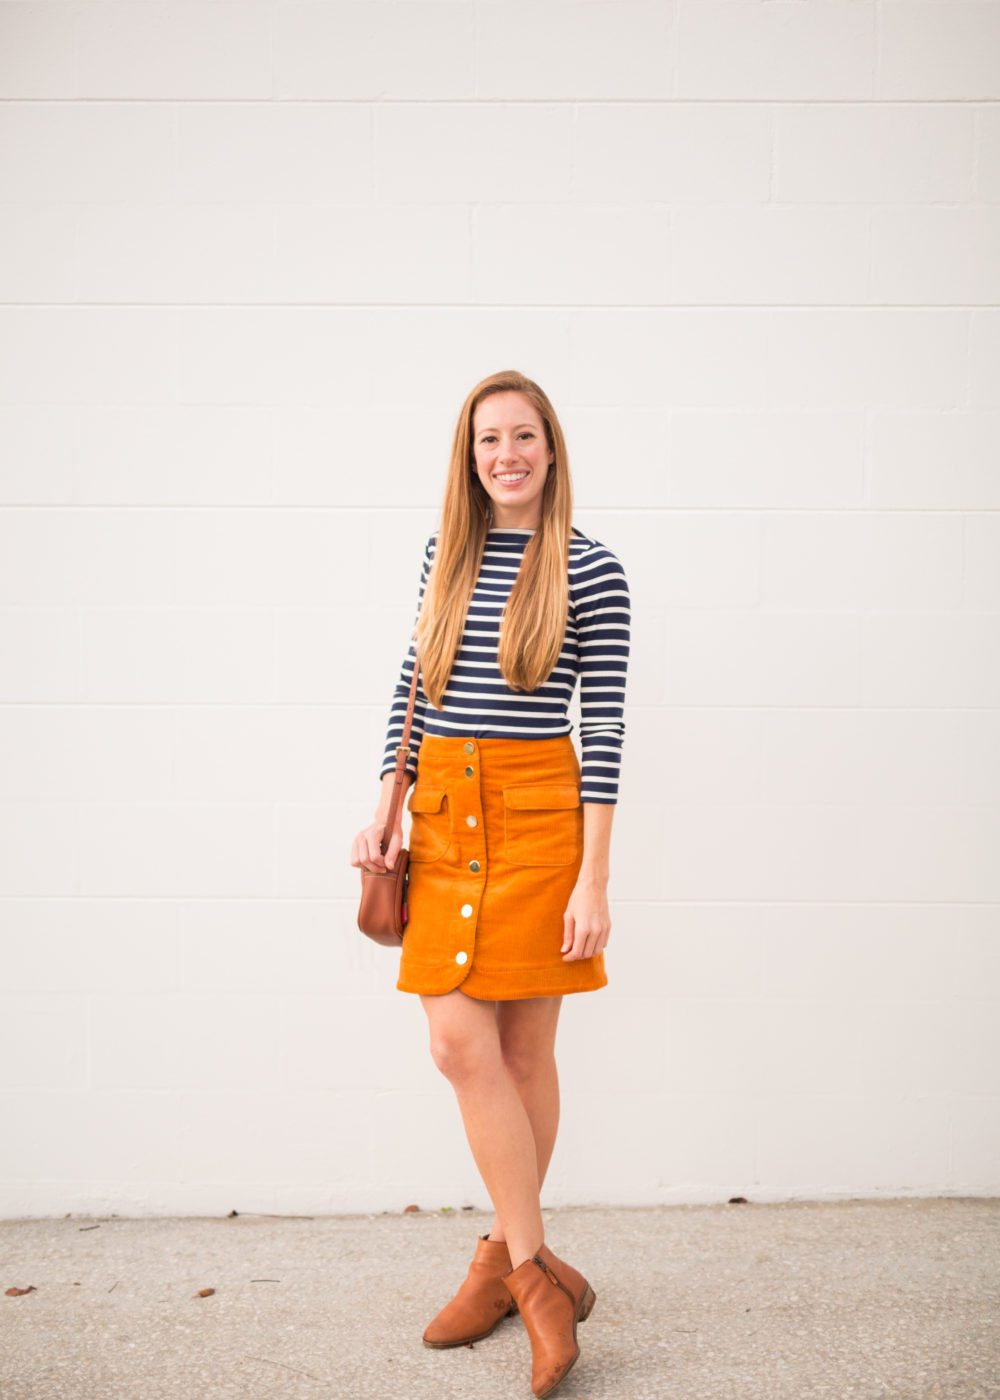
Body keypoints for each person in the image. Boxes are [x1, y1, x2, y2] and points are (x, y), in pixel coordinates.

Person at [350, 369, 630, 1399]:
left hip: (542, 817)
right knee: (455, 1041)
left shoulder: (593, 571)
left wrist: (592, 877)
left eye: (522, 436)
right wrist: (387, 793)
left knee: (522, 1047)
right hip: (441, 809)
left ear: (550, 450)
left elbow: (600, 729)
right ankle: (534, 1273)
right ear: (468, 459)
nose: (504, 454)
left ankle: (496, 1258)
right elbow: (411, 678)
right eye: (486, 440)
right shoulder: (448, 552)